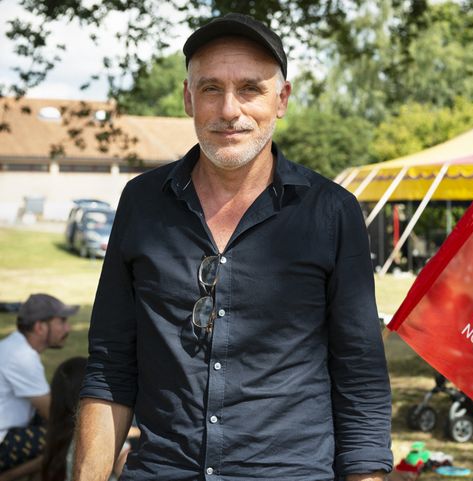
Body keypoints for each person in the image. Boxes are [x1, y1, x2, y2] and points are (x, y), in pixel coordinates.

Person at [74, 12, 393, 481]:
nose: (229, 110)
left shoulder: (331, 212)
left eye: (250, 88)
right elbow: (109, 366)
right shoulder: (141, 203)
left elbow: (359, 379)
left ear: (281, 99)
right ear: (188, 98)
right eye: (210, 89)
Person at [0, 294, 77, 479]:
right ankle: (7, 476)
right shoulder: (22, 357)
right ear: (40, 327)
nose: (68, 328)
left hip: (11, 429)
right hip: (3, 441)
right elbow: (54, 414)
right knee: (69, 437)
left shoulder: (14, 345)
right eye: (62, 321)